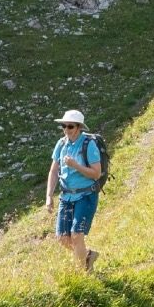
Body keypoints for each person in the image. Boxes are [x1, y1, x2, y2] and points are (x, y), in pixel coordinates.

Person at [44, 108, 103, 273]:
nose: (66, 130)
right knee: (63, 238)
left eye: (70, 126)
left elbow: (96, 173)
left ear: (79, 127)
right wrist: (49, 196)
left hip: (86, 195)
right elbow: (54, 171)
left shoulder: (88, 145)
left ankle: (82, 274)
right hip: (66, 196)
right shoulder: (61, 144)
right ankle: (88, 255)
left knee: (76, 236)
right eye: (64, 126)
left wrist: (76, 166)